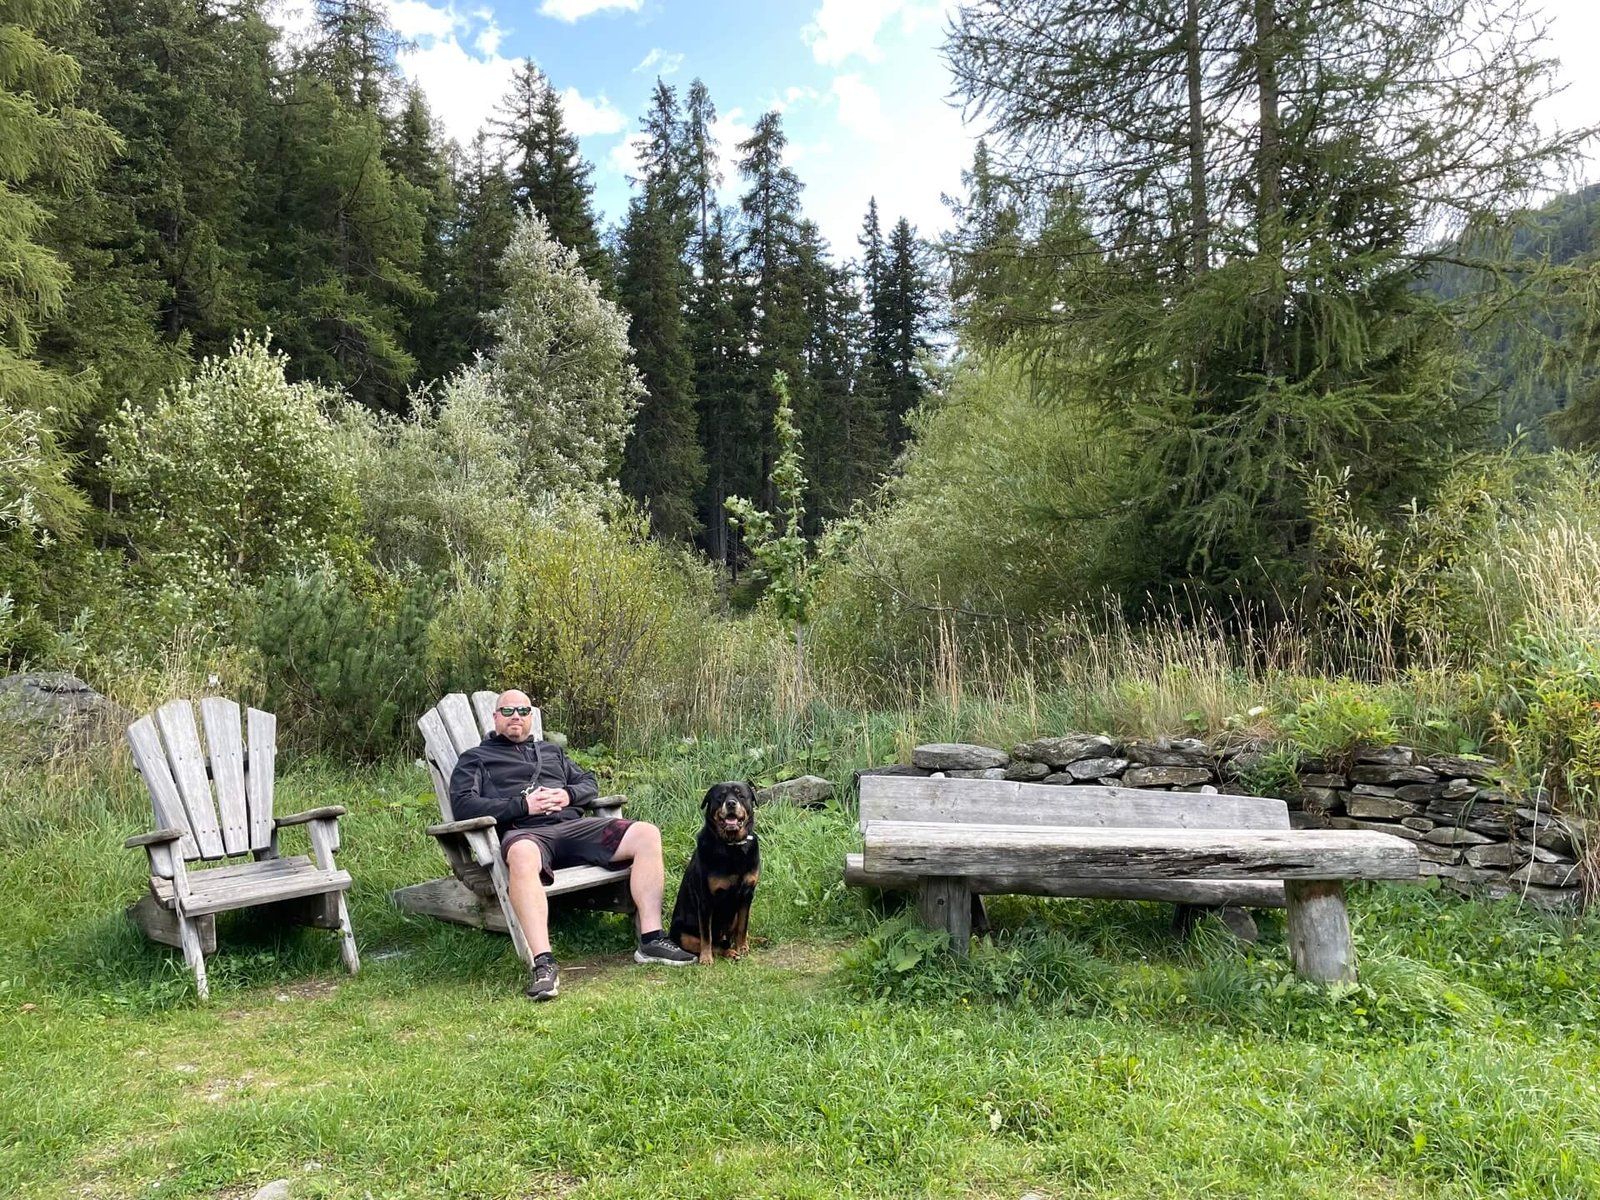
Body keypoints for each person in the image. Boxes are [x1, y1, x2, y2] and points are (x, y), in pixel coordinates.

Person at [448, 689, 695, 999]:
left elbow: (588, 782)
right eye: (508, 711)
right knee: (523, 854)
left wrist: (567, 796)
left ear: (531, 718)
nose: (516, 717)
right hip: (528, 834)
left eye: (523, 712)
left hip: (574, 827)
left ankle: (651, 939)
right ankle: (544, 964)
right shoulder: (476, 758)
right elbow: (464, 805)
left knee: (646, 833)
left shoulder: (551, 752)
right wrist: (524, 807)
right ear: (496, 717)